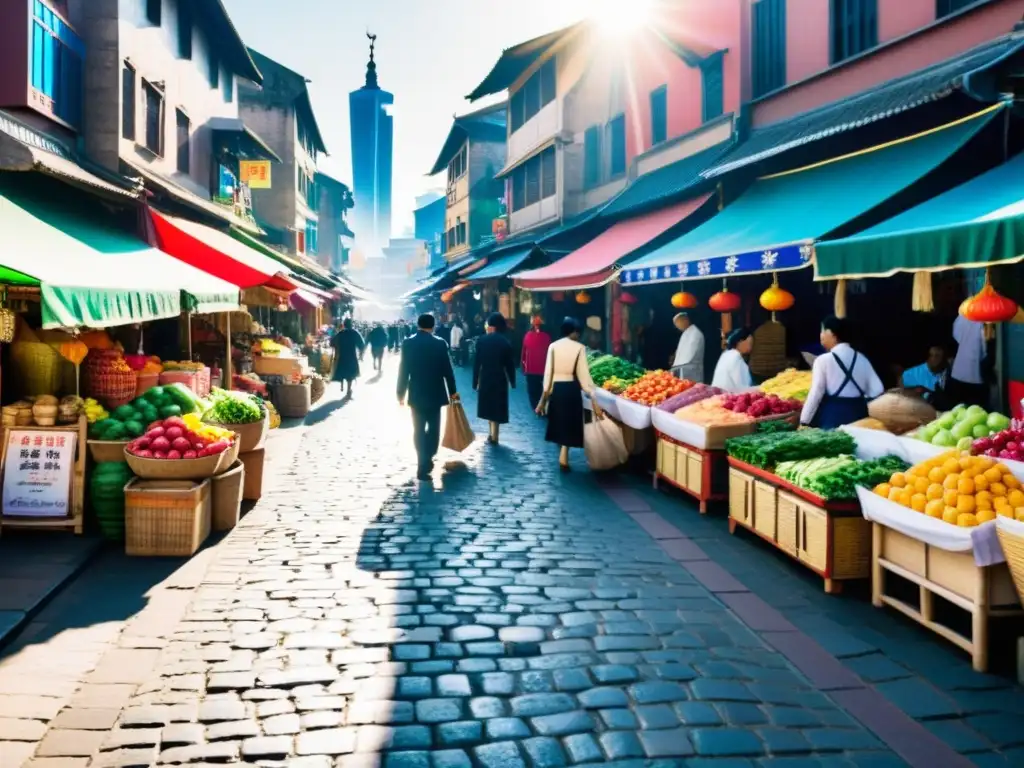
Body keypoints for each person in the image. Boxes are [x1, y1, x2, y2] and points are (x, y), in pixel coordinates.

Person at [397, 314, 459, 480]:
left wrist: (400, 393)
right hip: (435, 392)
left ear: (418, 325)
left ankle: (421, 461)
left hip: (416, 393)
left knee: (417, 429)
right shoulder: (440, 344)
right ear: (433, 326)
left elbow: (403, 370)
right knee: (433, 428)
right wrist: (453, 391)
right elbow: (448, 370)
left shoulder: (408, 343)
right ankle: (429, 456)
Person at [537, 317, 604, 471]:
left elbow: (548, 373)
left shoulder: (553, 346)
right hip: (571, 388)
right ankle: (564, 456)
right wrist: (591, 391)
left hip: (557, 389)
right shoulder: (579, 348)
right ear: (572, 332)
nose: (578, 335)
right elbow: (583, 374)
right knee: (569, 422)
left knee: (559, 420)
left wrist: (545, 394)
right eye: (577, 332)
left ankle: (562, 454)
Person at [800, 316, 884, 429]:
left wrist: (804, 421)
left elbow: (816, 393)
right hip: (860, 415)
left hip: (833, 417)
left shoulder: (823, 360)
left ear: (831, 333)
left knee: (835, 445)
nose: (821, 336)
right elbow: (878, 389)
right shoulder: (861, 358)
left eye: (822, 331)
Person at [474, 313, 516, 445]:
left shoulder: (482, 341)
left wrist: (475, 382)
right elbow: (510, 365)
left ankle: (490, 434)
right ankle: (495, 435)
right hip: (500, 377)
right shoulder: (505, 342)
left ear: (492, 326)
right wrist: (513, 381)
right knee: (497, 406)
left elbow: (477, 363)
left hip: (485, 376)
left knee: (488, 405)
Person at [950, 315, 987, 408]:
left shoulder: (963, 315)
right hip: (975, 374)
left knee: (958, 409)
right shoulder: (985, 320)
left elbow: (955, 334)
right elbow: (985, 348)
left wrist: (965, 343)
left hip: (958, 371)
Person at [521, 315, 552, 412]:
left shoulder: (527, 336)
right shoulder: (547, 337)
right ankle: (543, 407)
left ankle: (537, 408)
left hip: (531, 369)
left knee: (533, 391)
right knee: (544, 389)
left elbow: (523, 353)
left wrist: (523, 367)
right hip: (544, 369)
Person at [712, 327, 754, 392]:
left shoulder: (727, 354)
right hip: (726, 397)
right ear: (740, 342)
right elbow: (742, 389)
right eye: (750, 343)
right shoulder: (735, 357)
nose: (751, 347)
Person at [331, 319, 365, 399]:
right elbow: (362, 344)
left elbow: (332, 342)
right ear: (351, 324)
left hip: (342, 357)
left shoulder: (341, 333)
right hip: (352, 357)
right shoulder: (355, 333)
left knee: (343, 372)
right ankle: (348, 390)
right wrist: (361, 353)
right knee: (350, 375)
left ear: (344, 325)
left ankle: (345, 388)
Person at [672, 312, 705, 383]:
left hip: (691, 368)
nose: (677, 326)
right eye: (676, 325)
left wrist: (678, 365)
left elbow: (689, 354)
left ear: (685, 320)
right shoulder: (686, 333)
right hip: (682, 368)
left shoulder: (695, 332)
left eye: (678, 323)